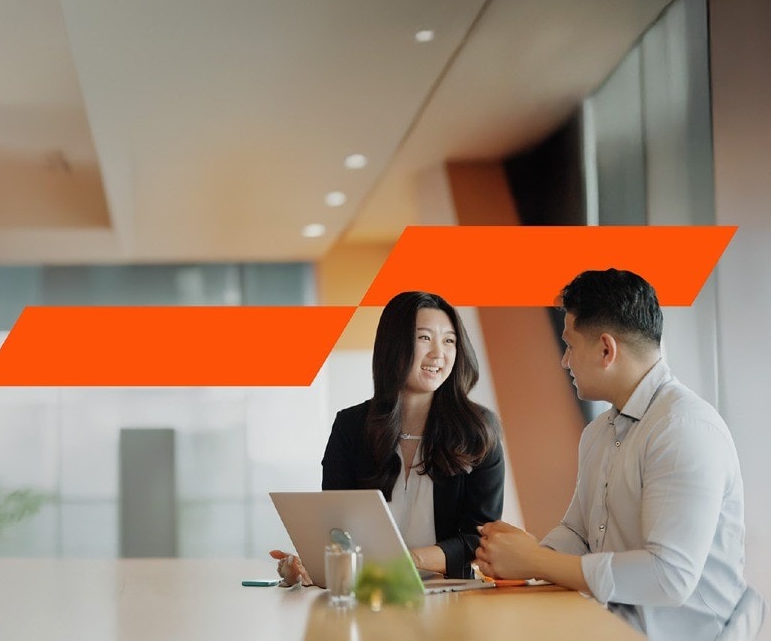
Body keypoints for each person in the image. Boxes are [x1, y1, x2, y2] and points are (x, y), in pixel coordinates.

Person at [476, 268, 764, 640]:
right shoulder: (598, 432)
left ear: (606, 350)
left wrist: (537, 561)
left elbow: (668, 576)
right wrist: (521, 557)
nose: (564, 361)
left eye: (570, 345)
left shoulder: (684, 428)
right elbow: (579, 533)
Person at [271, 290, 504, 584]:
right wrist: (309, 565)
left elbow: (479, 537)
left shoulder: (478, 430)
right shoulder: (351, 427)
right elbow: (336, 528)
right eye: (424, 338)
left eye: (449, 340)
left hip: (451, 594)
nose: (438, 353)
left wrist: (408, 560)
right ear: (394, 345)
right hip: (368, 594)